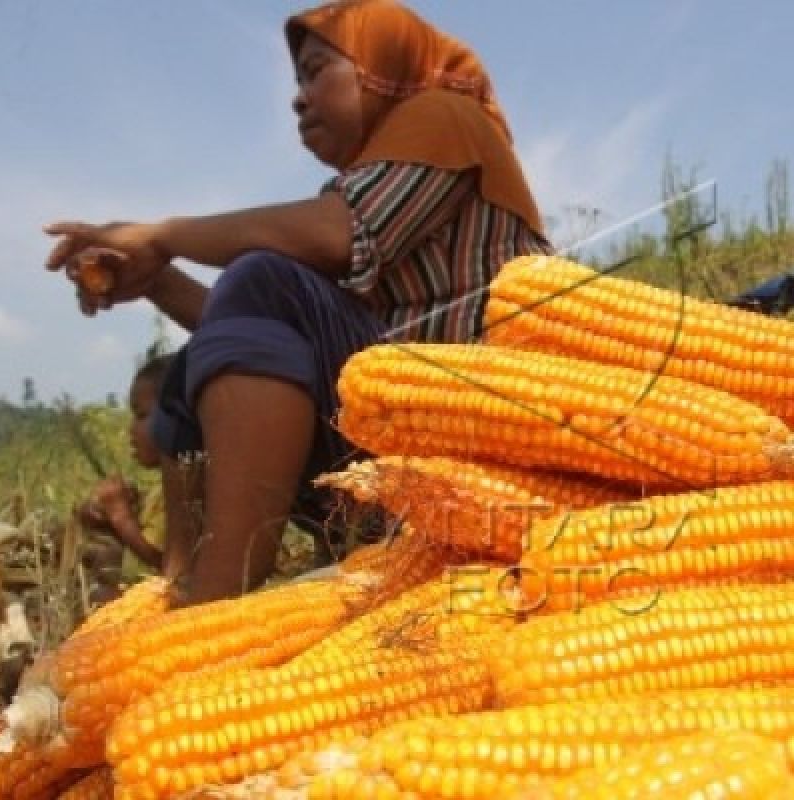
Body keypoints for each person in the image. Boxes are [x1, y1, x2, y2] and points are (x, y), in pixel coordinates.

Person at [44, 0, 552, 606]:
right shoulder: (367, 186)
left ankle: (214, 600)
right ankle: (180, 581)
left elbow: (333, 238)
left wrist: (160, 234)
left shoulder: (443, 116)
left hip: (469, 445)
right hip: (392, 444)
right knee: (194, 365)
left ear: (380, 68)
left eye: (317, 70)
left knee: (266, 278)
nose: (298, 96)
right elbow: (261, 352)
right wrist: (157, 277)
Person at [77, 354, 172, 598]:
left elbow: (164, 560)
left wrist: (120, 517)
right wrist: (104, 517)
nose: (131, 430)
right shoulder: (160, 490)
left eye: (141, 416)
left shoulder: (183, 495)